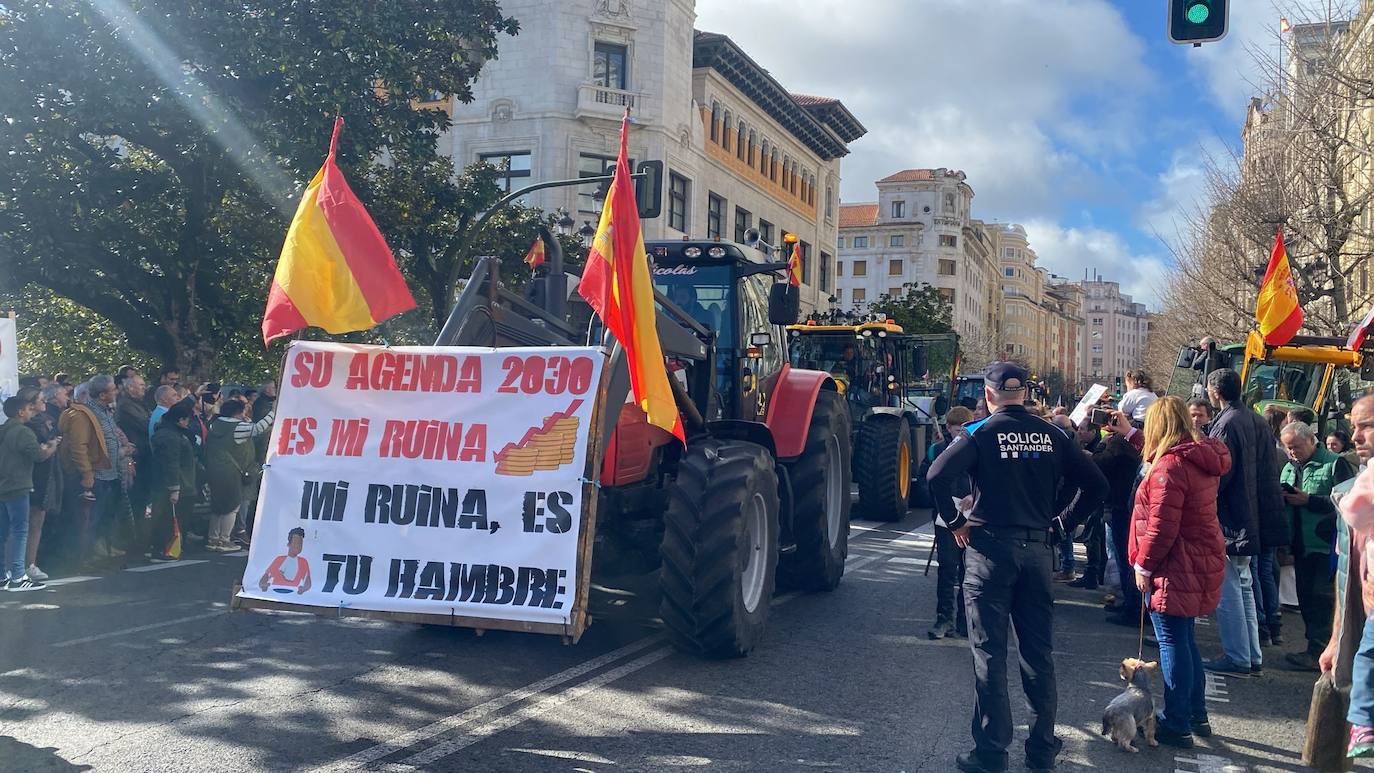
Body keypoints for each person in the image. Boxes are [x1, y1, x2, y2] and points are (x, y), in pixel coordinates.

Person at [928, 362, 1108, 773]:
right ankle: (1042, 751)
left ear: (989, 395)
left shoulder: (980, 432)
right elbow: (1097, 484)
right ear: (1025, 393)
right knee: (1038, 655)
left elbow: (937, 474)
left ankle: (991, 753)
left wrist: (956, 523)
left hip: (990, 550)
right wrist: (1064, 522)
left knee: (990, 654)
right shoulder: (1054, 435)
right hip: (1038, 550)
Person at [1130, 396, 1231, 748]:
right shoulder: (1199, 459)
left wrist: (1143, 564)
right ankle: (1195, 713)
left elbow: (1160, 526)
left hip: (1176, 563)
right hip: (1197, 557)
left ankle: (1176, 721)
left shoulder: (1169, 466)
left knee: (1173, 641)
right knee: (1185, 640)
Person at [1204, 368, 1285, 677]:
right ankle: (1251, 653)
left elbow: (1219, 475)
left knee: (1230, 589)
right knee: (1245, 585)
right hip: (1253, 514)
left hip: (1232, 518)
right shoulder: (1257, 421)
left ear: (1215, 393)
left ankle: (1238, 655)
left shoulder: (1225, 424)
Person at [1281, 421, 1355, 670]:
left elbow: (1345, 503)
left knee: (1321, 600)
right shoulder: (1290, 466)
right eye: (1288, 448)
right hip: (1299, 543)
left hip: (1324, 545)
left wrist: (1309, 500)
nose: (1292, 452)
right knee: (1306, 599)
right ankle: (1313, 648)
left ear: (1312, 440)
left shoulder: (1335, 463)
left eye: (1296, 447)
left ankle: (1319, 652)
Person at [58, 375, 119, 566]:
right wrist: (86, 474)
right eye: (112, 389)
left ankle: (94, 553)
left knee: (98, 517)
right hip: (93, 476)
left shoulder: (104, 412)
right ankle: (80, 559)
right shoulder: (84, 415)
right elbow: (79, 447)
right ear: (102, 395)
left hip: (107, 474)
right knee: (85, 519)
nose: (116, 391)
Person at [0, 394, 58, 590]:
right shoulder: (23, 432)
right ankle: (18, 576)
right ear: (20, 412)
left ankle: (2, 575)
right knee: (20, 530)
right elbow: (39, 455)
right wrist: (51, 447)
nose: (31, 412)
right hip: (18, 485)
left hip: (3, 485)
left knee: (3, 532)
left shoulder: (3, 430)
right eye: (28, 409)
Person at [928, 405, 974, 640]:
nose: (960, 435)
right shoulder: (938, 451)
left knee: (969, 572)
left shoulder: (976, 450)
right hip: (945, 518)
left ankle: (964, 621)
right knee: (947, 568)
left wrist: (974, 495)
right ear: (948, 429)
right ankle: (944, 618)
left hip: (970, 516)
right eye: (957, 431)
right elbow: (927, 480)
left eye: (963, 430)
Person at [204, 399, 273, 552]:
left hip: (214, 470)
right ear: (238, 412)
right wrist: (273, 413)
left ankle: (213, 539)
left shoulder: (215, 425)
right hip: (231, 472)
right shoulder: (237, 427)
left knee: (217, 506)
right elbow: (258, 428)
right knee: (231, 507)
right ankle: (224, 540)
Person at [25, 383, 65, 581]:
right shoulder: (29, 426)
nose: (44, 403)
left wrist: (52, 443)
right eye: (41, 400)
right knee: (31, 523)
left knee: (37, 522)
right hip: (36, 477)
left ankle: (31, 562)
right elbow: (40, 451)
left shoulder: (45, 420)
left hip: (47, 474)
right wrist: (51, 445)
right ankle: (27, 564)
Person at [148, 402, 196, 562]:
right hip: (174, 482)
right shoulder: (172, 437)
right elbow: (172, 463)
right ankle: (162, 548)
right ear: (180, 420)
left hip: (164, 481)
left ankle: (164, 547)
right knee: (169, 517)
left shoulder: (165, 432)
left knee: (166, 516)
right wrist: (175, 488)